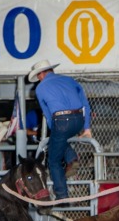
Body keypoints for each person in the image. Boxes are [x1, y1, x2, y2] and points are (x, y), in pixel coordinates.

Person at [28, 59, 92, 200]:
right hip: (79, 120)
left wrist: (55, 131)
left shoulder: (40, 88)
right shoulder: (70, 80)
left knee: (54, 160)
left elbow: (47, 114)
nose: (38, 79)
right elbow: (85, 104)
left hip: (62, 121)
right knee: (59, 141)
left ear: (41, 74)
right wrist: (86, 127)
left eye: (38, 76)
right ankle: (71, 158)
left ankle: (62, 197)